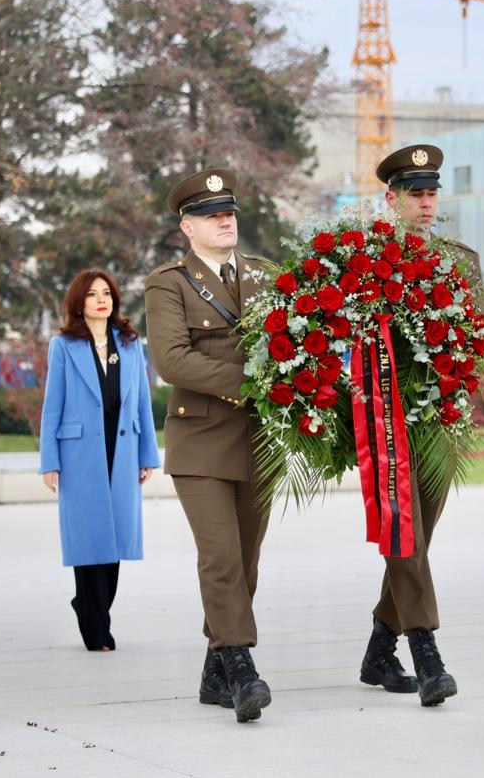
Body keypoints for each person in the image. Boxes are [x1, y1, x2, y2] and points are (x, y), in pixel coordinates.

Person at [143, 169, 274, 723]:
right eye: (213, 214)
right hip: (199, 438)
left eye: (230, 212)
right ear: (187, 227)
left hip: (260, 439)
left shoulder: (265, 275)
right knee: (219, 556)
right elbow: (171, 360)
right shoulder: (167, 282)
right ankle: (242, 669)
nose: (226, 221)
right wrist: (254, 378)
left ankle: (214, 669)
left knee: (245, 563)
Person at [355, 144, 481, 708]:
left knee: (417, 536)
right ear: (392, 199)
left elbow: (477, 343)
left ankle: (381, 649)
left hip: (439, 418)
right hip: (385, 417)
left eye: (432, 193)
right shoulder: (362, 260)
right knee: (405, 535)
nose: (426, 204)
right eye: (415, 194)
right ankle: (427, 655)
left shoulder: (461, 258)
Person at [38, 269, 160, 652]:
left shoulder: (129, 344)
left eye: (106, 293)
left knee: (115, 541)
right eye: (92, 295)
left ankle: (91, 606)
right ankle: (96, 628)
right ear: (79, 303)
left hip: (123, 449)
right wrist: (50, 461)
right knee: (89, 540)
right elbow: (51, 407)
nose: (101, 300)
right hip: (79, 454)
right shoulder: (63, 347)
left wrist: (147, 454)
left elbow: (142, 402)